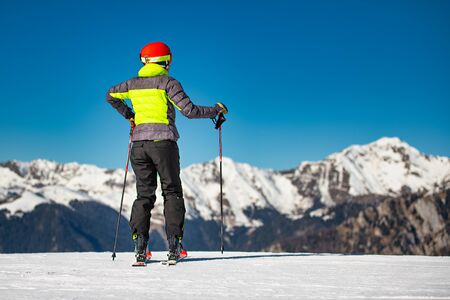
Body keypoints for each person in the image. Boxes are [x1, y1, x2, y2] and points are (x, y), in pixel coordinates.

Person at [106, 41, 228, 264]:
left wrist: (130, 115)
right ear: (165, 61)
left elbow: (110, 95)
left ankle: (140, 247)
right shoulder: (168, 83)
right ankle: (174, 246)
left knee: (144, 195)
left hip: (139, 146)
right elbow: (189, 111)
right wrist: (216, 111)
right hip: (164, 144)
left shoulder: (132, 84)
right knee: (171, 192)